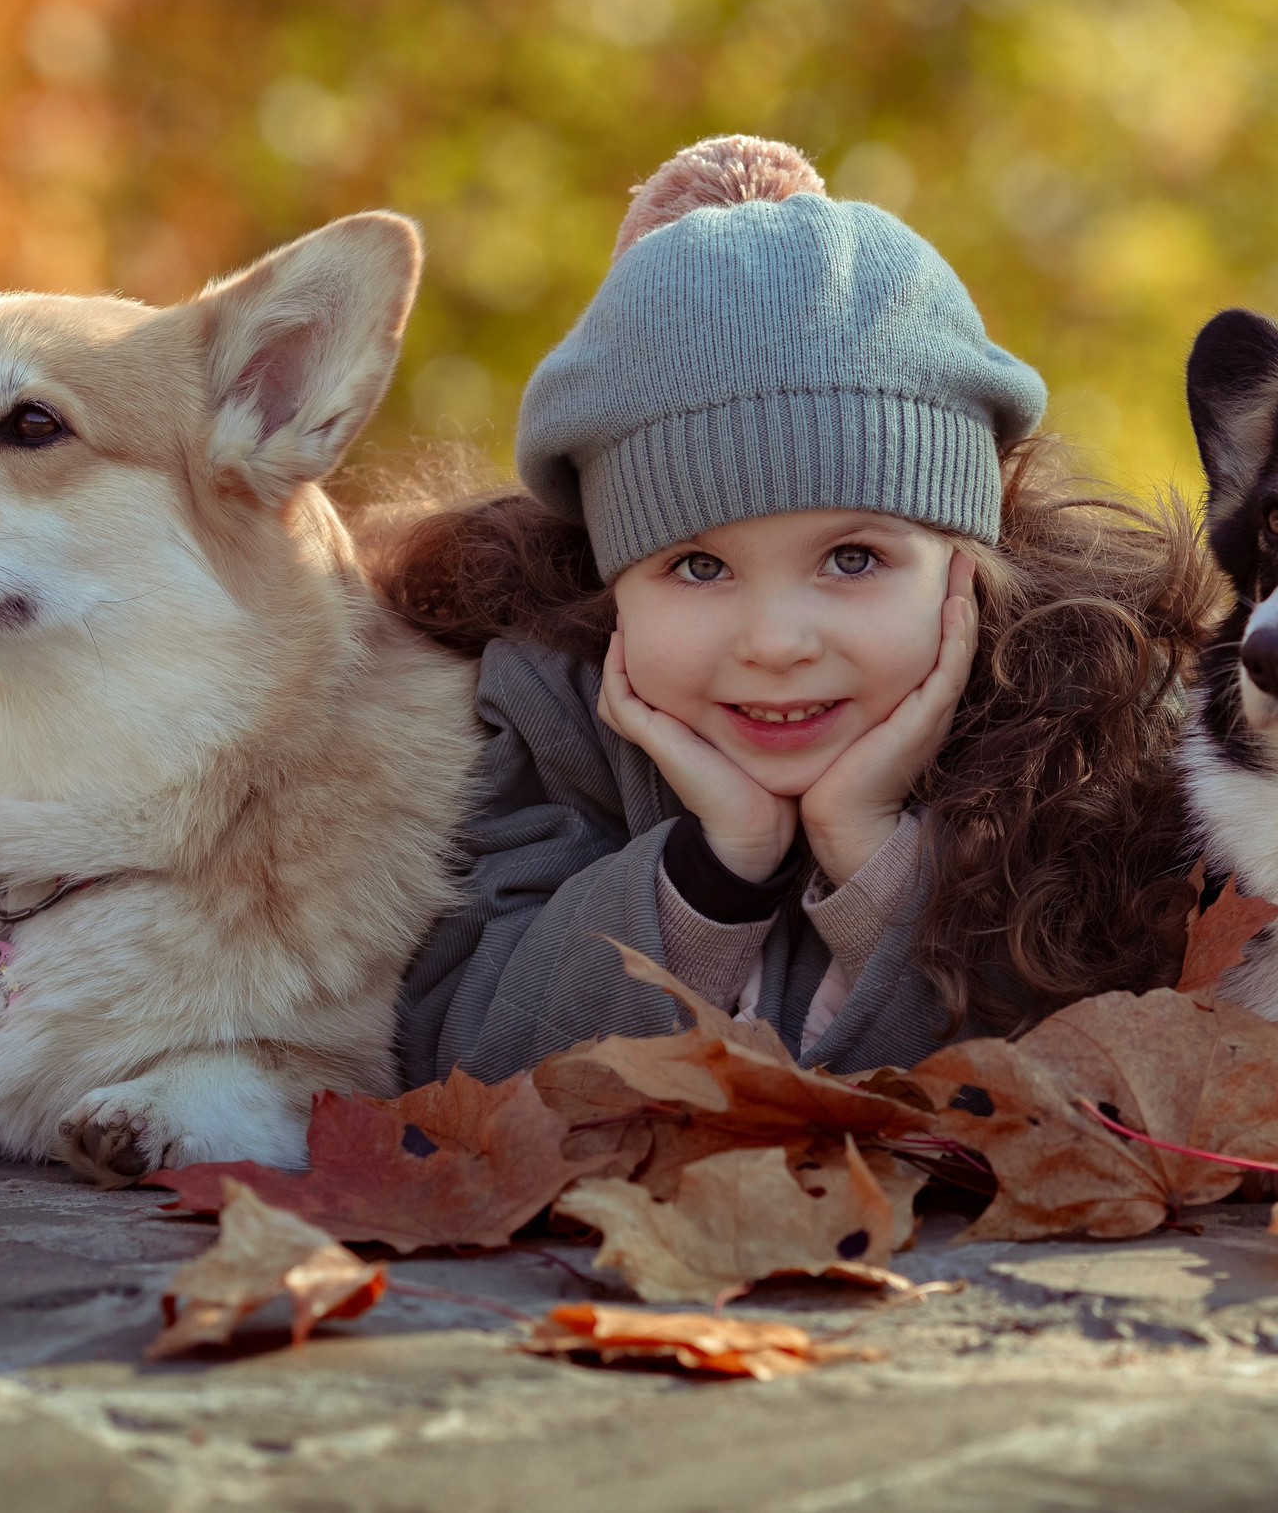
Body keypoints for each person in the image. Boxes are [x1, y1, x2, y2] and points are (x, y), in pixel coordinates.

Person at [384, 135, 1216, 1084]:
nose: (776, 642)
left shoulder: (1088, 723)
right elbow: (461, 1055)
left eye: (851, 559)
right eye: (698, 566)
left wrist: (872, 856)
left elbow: (1090, 1077)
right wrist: (713, 868)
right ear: (612, 578)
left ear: (968, 561)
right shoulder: (546, 711)